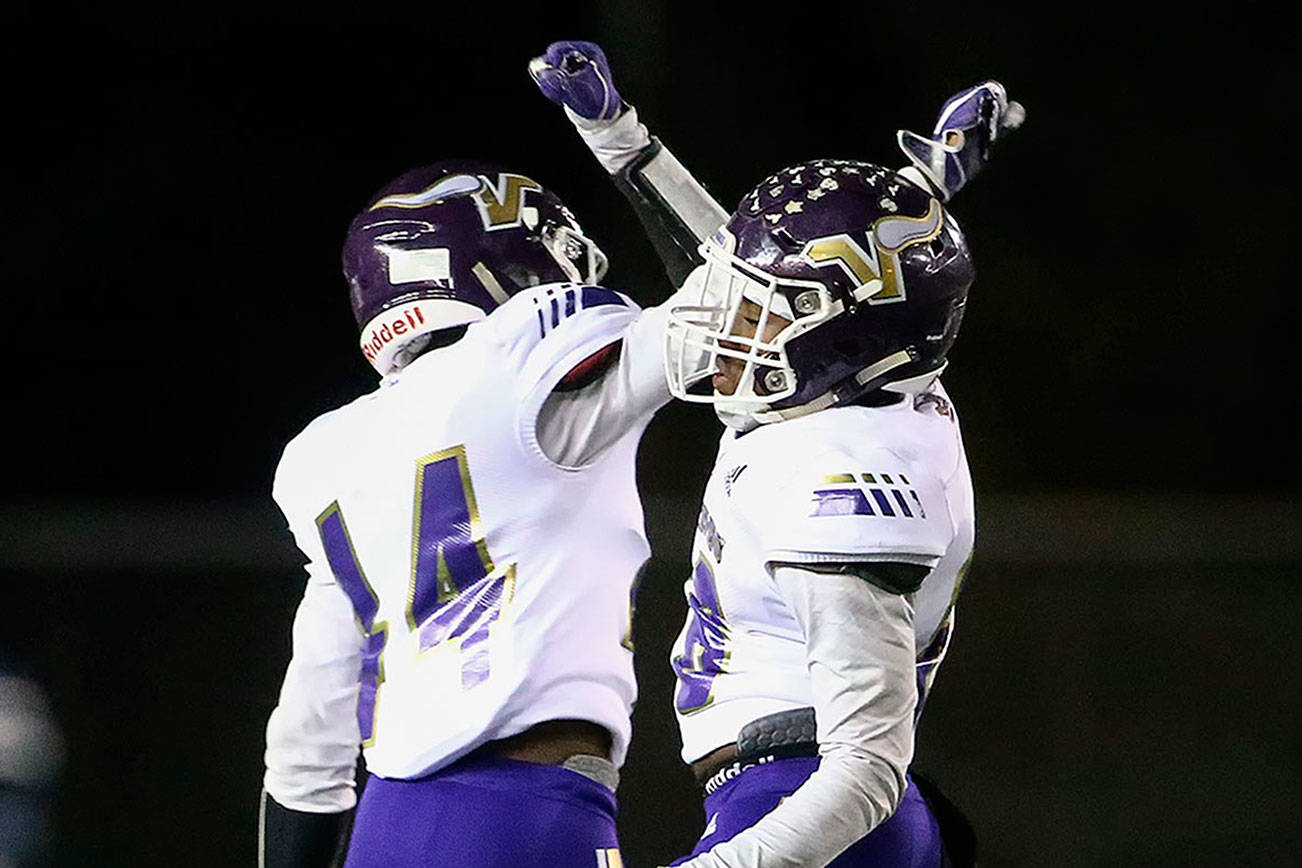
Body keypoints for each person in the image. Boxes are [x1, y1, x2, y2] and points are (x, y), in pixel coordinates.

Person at [531, 40, 1022, 867]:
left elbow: (866, 769)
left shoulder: (848, 477)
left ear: (848, 334)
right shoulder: (865, 380)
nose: (728, 326)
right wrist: (620, 137)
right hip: (811, 805)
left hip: (811, 811)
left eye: (766, 313)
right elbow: (836, 269)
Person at [258, 158, 715, 866]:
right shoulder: (526, 345)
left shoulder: (323, 453)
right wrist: (628, 146)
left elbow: (306, 749)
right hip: (524, 815)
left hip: (388, 825)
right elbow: (737, 312)